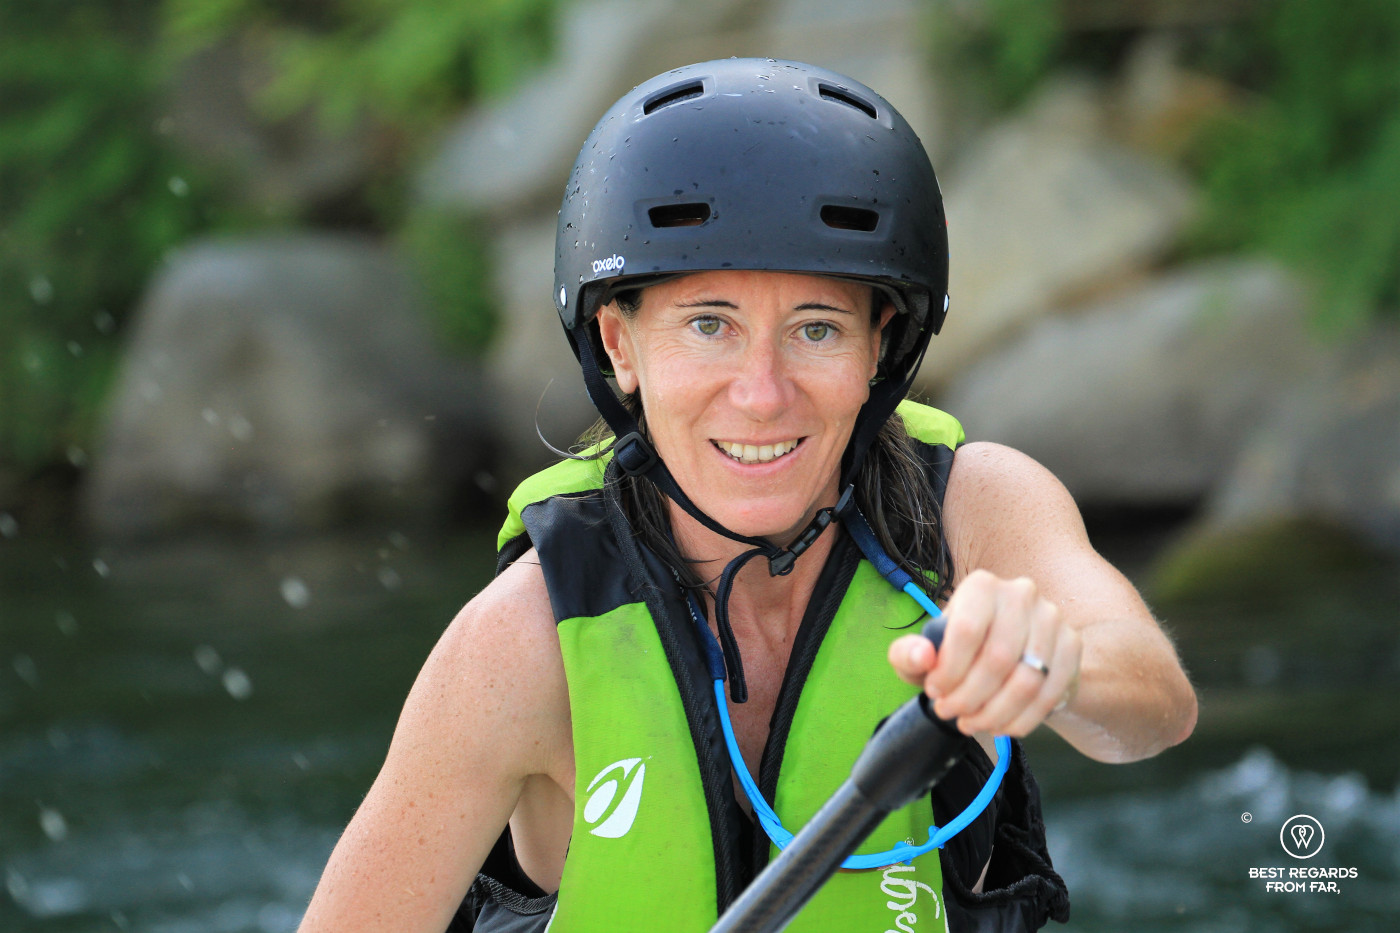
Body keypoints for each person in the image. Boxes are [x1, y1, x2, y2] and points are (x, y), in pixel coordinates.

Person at [297, 59, 1196, 933]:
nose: (763, 393)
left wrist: (1055, 663)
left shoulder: (975, 508)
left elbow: (1154, 707)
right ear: (619, 345)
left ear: (879, 347)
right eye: (708, 324)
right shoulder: (517, 647)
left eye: (816, 328)